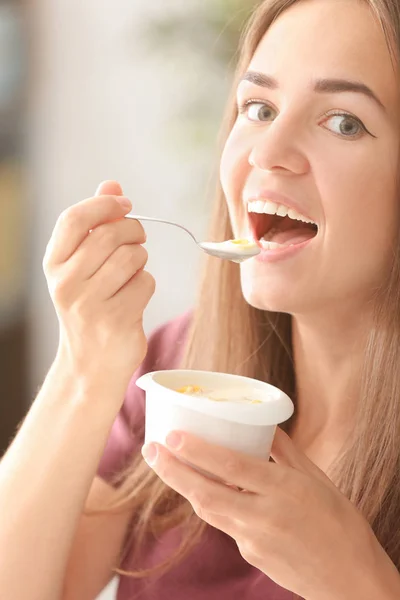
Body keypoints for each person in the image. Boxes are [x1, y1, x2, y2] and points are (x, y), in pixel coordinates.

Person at [2, 0, 400, 598]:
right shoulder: (177, 372)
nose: (267, 152)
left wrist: (357, 582)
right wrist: (85, 364)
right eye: (259, 108)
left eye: (344, 121)